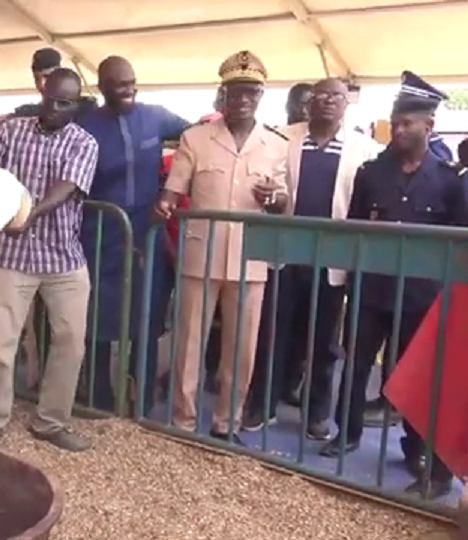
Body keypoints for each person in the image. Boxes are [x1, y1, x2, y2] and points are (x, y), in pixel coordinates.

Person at [321, 71, 466, 499]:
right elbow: (356, 223)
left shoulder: (449, 179)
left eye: (408, 123)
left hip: (422, 295)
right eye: (395, 122)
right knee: (357, 365)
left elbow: (457, 242)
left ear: (429, 126)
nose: (399, 129)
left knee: (416, 376)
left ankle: (416, 449)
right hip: (372, 290)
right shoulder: (371, 173)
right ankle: (344, 433)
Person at [154, 50, 289, 444]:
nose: (243, 99)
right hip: (200, 253)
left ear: (261, 96)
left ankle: (227, 423)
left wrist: (275, 198)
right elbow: (173, 189)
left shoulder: (276, 144)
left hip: (251, 258)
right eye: (235, 91)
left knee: (241, 347)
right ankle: (182, 418)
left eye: (251, 92)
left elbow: (284, 203)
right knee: (189, 342)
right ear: (223, 94)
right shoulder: (195, 138)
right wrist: (163, 203)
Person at [0, 67, 99, 452]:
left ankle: (51, 422)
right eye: (50, 99)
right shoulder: (12, 131)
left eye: (65, 103)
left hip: (64, 257)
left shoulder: (84, 142)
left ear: (76, 105)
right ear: (41, 94)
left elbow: (66, 188)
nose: (55, 108)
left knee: (71, 341)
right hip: (13, 256)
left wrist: (28, 214)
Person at [243, 78, 380, 437]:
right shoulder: (281, 137)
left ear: (346, 103)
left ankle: (316, 413)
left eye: (335, 96)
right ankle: (262, 404)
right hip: (284, 254)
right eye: (321, 95)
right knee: (273, 333)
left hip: (332, 259)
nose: (327, 102)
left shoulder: (364, 149)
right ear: (309, 103)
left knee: (324, 342)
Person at [75, 55, 190, 414]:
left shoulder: (156, 116)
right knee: (96, 315)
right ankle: (97, 395)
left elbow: (199, 134)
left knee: (147, 314)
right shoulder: (85, 123)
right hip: (97, 236)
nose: (128, 89)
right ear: (102, 87)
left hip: (145, 236)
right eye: (119, 84)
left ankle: (142, 396)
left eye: (131, 82)